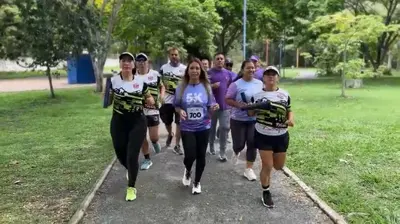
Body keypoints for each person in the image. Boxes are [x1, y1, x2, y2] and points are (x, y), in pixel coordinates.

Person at [106, 52, 155, 201]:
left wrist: (150, 101)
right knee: (121, 154)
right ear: (120, 64)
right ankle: (130, 169)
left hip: (137, 122)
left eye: (129, 61)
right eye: (123, 61)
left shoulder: (140, 82)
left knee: (132, 154)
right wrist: (107, 94)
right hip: (118, 122)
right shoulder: (113, 81)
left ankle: (131, 187)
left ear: (133, 65)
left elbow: (149, 97)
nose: (126, 63)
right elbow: (107, 103)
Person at [248, 66, 294, 208]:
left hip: (281, 135)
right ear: (264, 78)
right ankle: (266, 190)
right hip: (263, 134)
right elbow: (250, 114)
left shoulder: (285, 94)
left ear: (277, 77)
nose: (270, 77)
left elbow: (289, 110)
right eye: (267, 74)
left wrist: (291, 119)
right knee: (267, 165)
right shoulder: (256, 96)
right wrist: (255, 108)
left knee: (278, 166)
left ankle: (268, 176)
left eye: (273, 74)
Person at [174, 58, 219, 194]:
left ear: (201, 71)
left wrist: (214, 107)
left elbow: (211, 105)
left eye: (197, 68)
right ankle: (188, 170)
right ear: (188, 71)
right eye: (192, 68)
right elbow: (176, 105)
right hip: (187, 127)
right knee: (190, 155)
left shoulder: (206, 87)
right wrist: (180, 110)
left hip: (203, 127)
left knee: (201, 156)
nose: (194, 71)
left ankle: (197, 182)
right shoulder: (181, 87)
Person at [225, 60, 263, 181]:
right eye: (248, 68)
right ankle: (236, 151)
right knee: (239, 144)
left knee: (252, 143)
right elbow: (227, 99)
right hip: (238, 119)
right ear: (243, 69)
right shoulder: (236, 84)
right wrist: (238, 104)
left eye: (253, 68)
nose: (251, 70)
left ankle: (248, 169)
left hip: (254, 119)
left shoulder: (259, 84)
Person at [134, 53, 165, 170]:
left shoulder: (155, 75)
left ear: (148, 62)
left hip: (153, 110)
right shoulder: (133, 76)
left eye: (144, 61)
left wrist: (161, 97)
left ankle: (155, 142)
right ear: (136, 63)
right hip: (139, 111)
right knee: (142, 136)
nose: (141, 63)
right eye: (139, 61)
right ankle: (147, 159)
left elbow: (162, 86)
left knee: (154, 137)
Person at [159, 47, 187, 155]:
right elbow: (160, 83)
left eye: (176, 54)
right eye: (172, 54)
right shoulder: (163, 68)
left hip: (180, 100)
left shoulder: (184, 69)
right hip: (167, 100)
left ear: (179, 55)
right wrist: (160, 95)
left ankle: (177, 144)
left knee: (179, 122)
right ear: (169, 56)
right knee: (167, 122)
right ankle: (170, 133)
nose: (174, 56)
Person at [207, 53, 231, 161]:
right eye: (218, 59)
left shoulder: (228, 74)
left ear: (224, 60)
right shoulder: (209, 73)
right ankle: (211, 145)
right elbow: (203, 88)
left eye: (222, 59)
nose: (220, 60)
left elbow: (231, 88)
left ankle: (222, 152)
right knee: (211, 128)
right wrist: (212, 86)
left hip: (225, 107)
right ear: (214, 61)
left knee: (224, 128)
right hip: (212, 107)